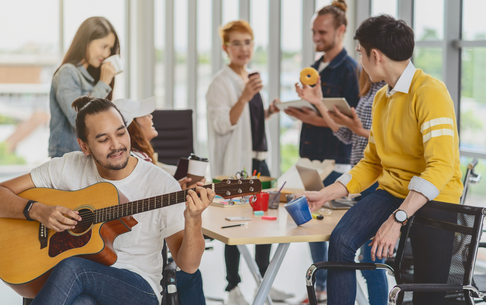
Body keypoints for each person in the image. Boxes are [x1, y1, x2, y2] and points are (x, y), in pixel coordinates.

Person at [302, 15, 463, 305]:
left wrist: (398, 218)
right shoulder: (381, 100)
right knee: (341, 241)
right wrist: (329, 192)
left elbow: (441, 166)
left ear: (375, 55)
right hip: (392, 191)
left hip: (435, 197)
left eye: (361, 53)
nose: (360, 60)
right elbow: (372, 163)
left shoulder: (430, 93)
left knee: (429, 294)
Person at [0, 96, 214, 305]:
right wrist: (36, 210)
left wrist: (194, 219)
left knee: (74, 267)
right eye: (103, 139)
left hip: (139, 289)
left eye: (121, 133)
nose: (116, 145)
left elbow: (189, 266)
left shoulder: (161, 184)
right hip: (82, 285)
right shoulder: (69, 167)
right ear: (84, 147)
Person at [205, 20, 291, 305]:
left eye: (248, 42)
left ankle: (263, 283)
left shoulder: (248, 78)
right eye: (237, 43)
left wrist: (267, 111)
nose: (243, 48)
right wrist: (245, 97)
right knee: (237, 225)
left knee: (266, 222)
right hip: (235, 166)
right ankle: (233, 288)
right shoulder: (221, 83)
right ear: (225, 48)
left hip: (259, 163)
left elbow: (248, 122)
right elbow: (222, 124)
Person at [286, 1, 359, 301]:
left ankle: (328, 289)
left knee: (328, 228)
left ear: (341, 31)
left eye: (322, 32)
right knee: (310, 222)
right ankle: (319, 288)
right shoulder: (315, 68)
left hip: (336, 161)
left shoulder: (350, 70)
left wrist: (307, 114)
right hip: (311, 159)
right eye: (314, 31)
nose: (316, 37)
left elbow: (347, 122)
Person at [296, 68, 387, 304]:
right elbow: (347, 135)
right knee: (359, 256)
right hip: (361, 179)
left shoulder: (387, 91)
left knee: (371, 261)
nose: (360, 60)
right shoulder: (368, 90)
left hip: (377, 182)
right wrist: (318, 102)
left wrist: (359, 130)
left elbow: (387, 141)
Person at [113, 97, 207, 304]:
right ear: (132, 128)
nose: (151, 117)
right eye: (144, 115)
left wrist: (173, 190)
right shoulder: (141, 164)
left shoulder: (138, 161)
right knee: (191, 275)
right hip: (135, 270)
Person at [49, 17, 120, 158]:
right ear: (86, 41)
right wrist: (104, 83)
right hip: (66, 158)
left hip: (85, 156)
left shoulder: (92, 76)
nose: (106, 54)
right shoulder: (67, 73)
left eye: (110, 49)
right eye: (103, 46)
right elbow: (78, 119)